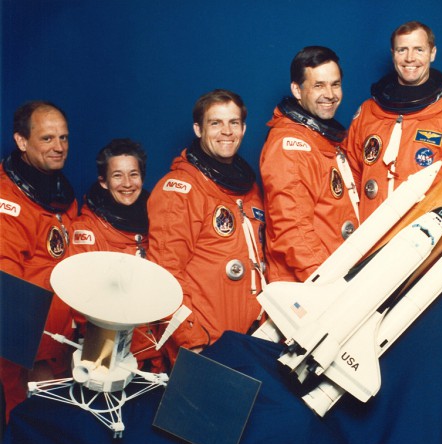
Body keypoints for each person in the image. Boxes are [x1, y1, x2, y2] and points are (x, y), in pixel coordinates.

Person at [147, 89, 266, 364]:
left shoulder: (248, 190)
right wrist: (193, 342)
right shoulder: (179, 190)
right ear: (198, 129)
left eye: (233, 122)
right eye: (216, 123)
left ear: (244, 128)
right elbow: (165, 275)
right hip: (206, 343)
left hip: (252, 340)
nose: (226, 131)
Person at [345, 21, 442, 222]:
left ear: (432, 53)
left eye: (419, 50)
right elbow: (349, 178)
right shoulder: (368, 112)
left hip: (422, 243)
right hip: (368, 239)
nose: (409, 58)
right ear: (393, 54)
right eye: (402, 50)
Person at [0, 100, 77, 421]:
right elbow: (9, 294)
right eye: (47, 138)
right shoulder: (9, 202)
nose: (58, 147)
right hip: (25, 357)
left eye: (63, 138)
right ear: (21, 141)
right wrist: (35, 358)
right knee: (27, 433)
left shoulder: (62, 196)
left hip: (62, 346)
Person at [260, 46, 360, 283]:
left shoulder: (322, 141)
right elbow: (292, 230)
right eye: (318, 85)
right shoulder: (291, 146)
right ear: (297, 89)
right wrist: (325, 284)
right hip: (311, 287)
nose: (330, 94)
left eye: (335, 84)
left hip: (338, 275)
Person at [69, 138, 165, 372]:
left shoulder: (158, 224)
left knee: (153, 406)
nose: (127, 184)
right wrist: (101, 363)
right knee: (104, 403)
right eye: (117, 175)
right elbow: (80, 301)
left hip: (155, 349)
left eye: (133, 174)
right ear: (103, 182)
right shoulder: (86, 230)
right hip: (106, 349)